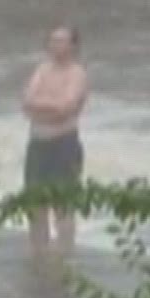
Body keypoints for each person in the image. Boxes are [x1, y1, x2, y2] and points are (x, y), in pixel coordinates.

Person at [20, 24, 89, 253]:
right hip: (38, 143)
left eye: (61, 41)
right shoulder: (42, 70)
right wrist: (50, 106)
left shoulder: (76, 73)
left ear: (73, 46)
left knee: (63, 206)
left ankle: (64, 256)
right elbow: (27, 102)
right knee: (35, 205)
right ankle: (38, 253)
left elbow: (66, 108)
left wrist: (44, 106)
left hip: (63, 143)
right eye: (52, 40)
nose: (54, 45)